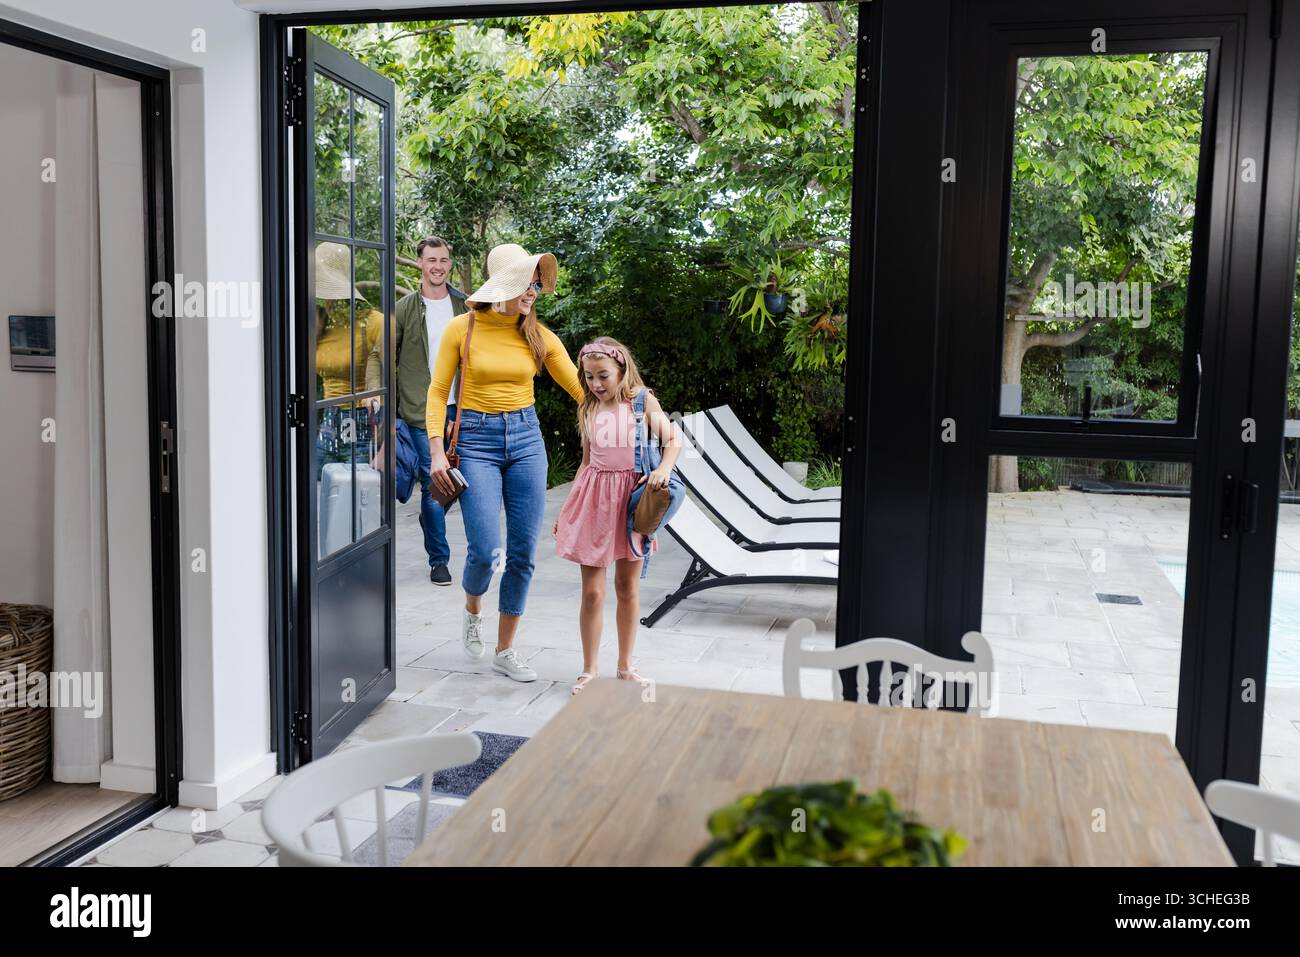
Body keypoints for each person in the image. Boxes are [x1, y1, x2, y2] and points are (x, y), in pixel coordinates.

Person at [426, 243, 584, 681]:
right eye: (524, 283)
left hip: (527, 439)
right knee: (484, 550)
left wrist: (634, 405)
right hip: (475, 441)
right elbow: (439, 392)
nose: (532, 291)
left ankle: (505, 649)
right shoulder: (464, 328)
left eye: (535, 282)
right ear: (502, 287)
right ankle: (473, 607)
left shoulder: (539, 335)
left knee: (522, 553)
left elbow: (580, 388)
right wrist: (438, 450)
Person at [553, 336, 681, 694]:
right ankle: (590, 670)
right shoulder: (588, 406)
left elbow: (675, 440)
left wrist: (664, 470)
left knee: (627, 587)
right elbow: (585, 462)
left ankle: (625, 665)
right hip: (593, 501)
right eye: (589, 376)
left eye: (603, 376)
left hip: (630, 504)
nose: (596, 384)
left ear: (621, 370)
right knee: (592, 593)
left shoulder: (641, 400)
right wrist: (566, 510)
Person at [366, 237, 466, 586]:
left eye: (443, 260)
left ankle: (430, 516)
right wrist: (374, 393)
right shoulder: (405, 308)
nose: (437, 266)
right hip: (422, 408)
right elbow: (381, 356)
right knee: (434, 481)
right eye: (431, 260)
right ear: (420, 264)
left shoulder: (464, 307)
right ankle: (439, 559)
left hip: (462, 409)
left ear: (448, 264)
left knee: (459, 483)